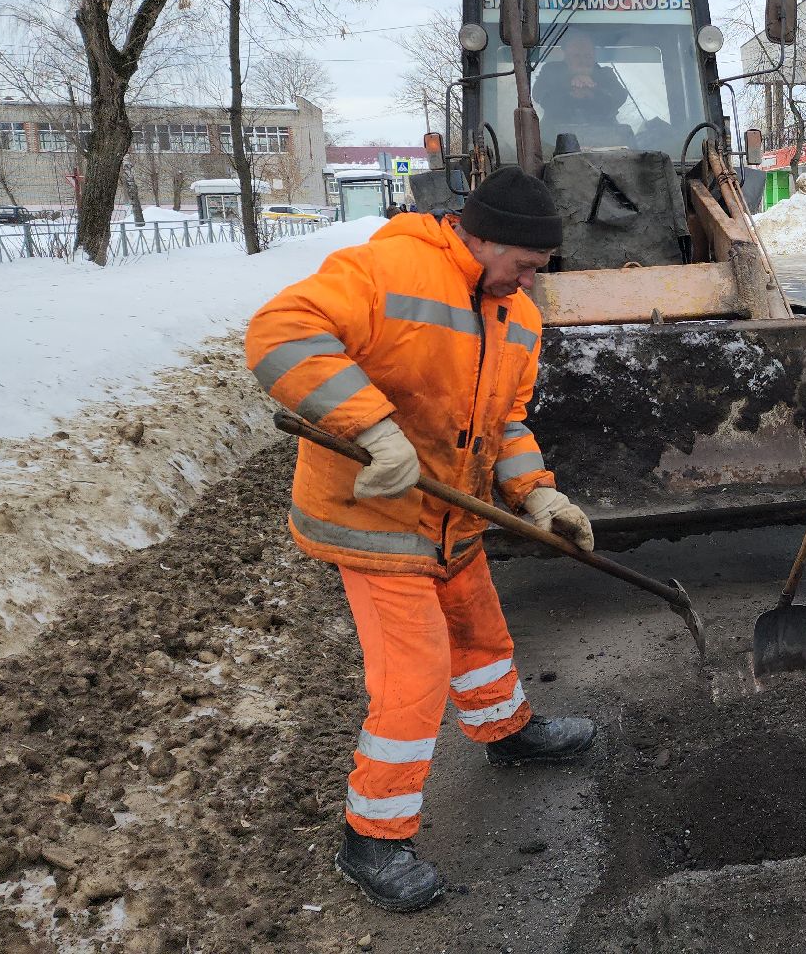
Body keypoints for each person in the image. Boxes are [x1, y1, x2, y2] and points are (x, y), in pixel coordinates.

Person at [245, 166, 599, 913]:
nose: (531, 285)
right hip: (373, 519)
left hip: (454, 516)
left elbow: (505, 420)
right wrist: (371, 427)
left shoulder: (518, 318)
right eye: (525, 266)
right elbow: (279, 333)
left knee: (480, 635)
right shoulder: (388, 267)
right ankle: (370, 837)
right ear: (483, 236)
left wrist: (539, 495)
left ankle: (506, 731)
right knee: (414, 679)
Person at [533, 30, 630, 131]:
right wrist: (570, 85)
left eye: (587, 56)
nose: (582, 61)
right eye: (576, 56)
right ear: (566, 56)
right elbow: (539, 96)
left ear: (594, 55)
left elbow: (619, 97)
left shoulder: (606, 74)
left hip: (605, 136)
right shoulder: (550, 71)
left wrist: (593, 89)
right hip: (553, 138)